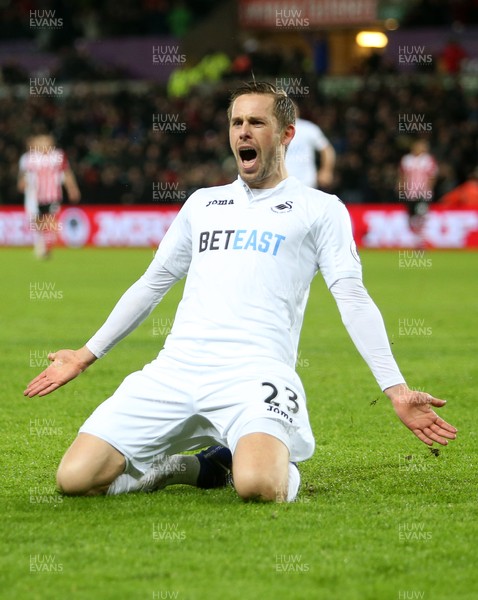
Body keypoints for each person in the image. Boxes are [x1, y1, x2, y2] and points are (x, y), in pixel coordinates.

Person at [24, 82, 457, 503]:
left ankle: (255, 462)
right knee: (75, 478)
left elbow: (352, 297)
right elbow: (153, 283)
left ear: (287, 134)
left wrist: (395, 388)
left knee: (257, 486)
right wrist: (85, 354)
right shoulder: (202, 203)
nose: (243, 132)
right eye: (236, 122)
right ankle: (185, 468)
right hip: (176, 369)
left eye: (256, 122)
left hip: (256, 374)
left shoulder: (321, 209)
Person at [18, 134, 81, 259]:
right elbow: (25, 173)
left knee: (50, 219)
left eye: (45, 142)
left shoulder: (58, 156)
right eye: (40, 142)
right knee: (37, 220)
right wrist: (22, 182)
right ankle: (41, 244)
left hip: (52, 194)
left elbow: (66, 172)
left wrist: (72, 188)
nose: (42, 145)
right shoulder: (29, 157)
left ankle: (47, 245)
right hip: (33, 195)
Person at [285, 104, 336, 189]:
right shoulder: (275, 129)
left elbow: (326, 149)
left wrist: (326, 171)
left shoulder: (308, 128)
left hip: (306, 183)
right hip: (280, 184)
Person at [398, 138, 438, 245]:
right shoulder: (406, 159)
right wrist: (402, 188)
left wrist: (428, 190)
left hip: (423, 193)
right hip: (410, 193)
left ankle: (421, 240)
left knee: (421, 214)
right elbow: (402, 175)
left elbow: (432, 176)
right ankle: (416, 238)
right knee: (412, 216)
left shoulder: (428, 159)